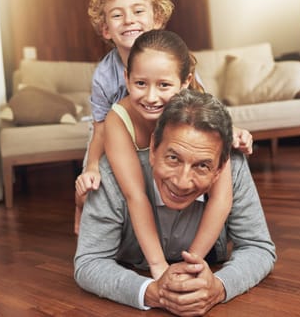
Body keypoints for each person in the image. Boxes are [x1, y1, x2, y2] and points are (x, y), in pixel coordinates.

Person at [75, 0, 252, 231]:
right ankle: (80, 213)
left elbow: (202, 102)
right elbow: (100, 126)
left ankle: (203, 224)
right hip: (116, 134)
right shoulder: (104, 73)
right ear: (105, 30)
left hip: (162, 132)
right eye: (116, 15)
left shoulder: (175, 58)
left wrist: (232, 129)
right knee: (88, 186)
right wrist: (91, 167)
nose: (128, 20)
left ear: (157, 18)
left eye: (138, 11)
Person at [74, 89, 276, 316]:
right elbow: (90, 262)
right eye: (173, 158)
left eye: (202, 166)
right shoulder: (111, 174)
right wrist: (152, 291)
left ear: (220, 168)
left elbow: (258, 247)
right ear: (153, 148)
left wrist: (218, 287)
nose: (182, 182)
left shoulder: (234, 167)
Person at [85, 29, 233, 281]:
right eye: (140, 84)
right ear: (126, 77)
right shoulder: (118, 120)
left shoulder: (202, 112)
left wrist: (192, 263)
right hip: (137, 203)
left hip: (182, 218)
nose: (151, 97)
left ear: (185, 82)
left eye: (164, 85)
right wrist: (158, 265)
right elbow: (136, 195)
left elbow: (221, 198)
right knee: (86, 188)